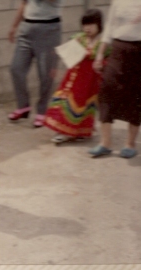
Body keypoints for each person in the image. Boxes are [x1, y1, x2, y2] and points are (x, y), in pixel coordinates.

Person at [44, 9, 109, 143]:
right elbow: (67, 55)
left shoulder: (103, 43)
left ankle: (80, 131)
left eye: (91, 25)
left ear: (99, 25)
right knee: (68, 102)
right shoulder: (79, 38)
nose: (87, 28)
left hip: (91, 80)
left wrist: (101, 64)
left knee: (85, 104)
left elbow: (107, 60)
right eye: (85, 25)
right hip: (74, 78)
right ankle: (62, 131)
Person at [89, 0, 141, 158]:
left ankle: (130, 144)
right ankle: (105, 143)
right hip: (118, 50)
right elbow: (108, 30)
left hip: (139, 52)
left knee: (135, 96)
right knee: (106, 91)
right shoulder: (117, 2)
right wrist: (99, 55)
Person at [7, 0, 63, 128]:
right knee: (16, 68)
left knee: (45, 73)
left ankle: (42, 111)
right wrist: (14, 26)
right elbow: (24, 3)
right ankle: (23, 106)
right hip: (26, 28)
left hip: (49, 29)